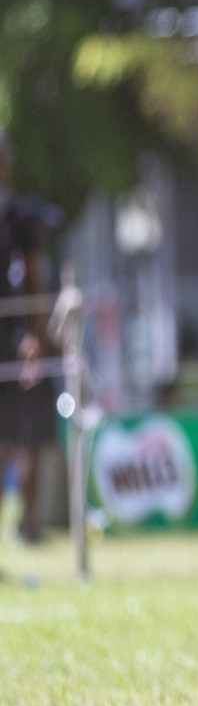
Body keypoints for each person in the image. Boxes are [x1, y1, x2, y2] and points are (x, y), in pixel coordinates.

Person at [0, 130, 58, 545]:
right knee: (19, 438)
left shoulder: (15, 214)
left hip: (12, 340)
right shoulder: (14, 214)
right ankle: (25, 526)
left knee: (17, 440)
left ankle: (26, 527)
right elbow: (33, 278)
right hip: (13, 342)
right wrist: (36, 335)